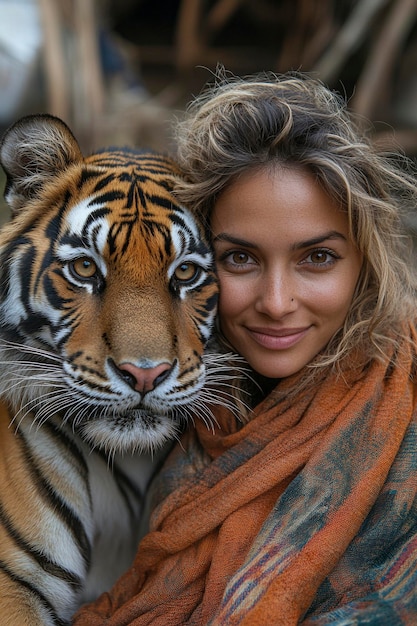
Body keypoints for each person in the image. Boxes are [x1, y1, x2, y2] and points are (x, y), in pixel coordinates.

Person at [73, 71, 417, 625]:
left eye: (318, 258)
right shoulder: (165, 404)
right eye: (240, 259)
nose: (276, 302)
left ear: (366, 261)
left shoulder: (403, 416)